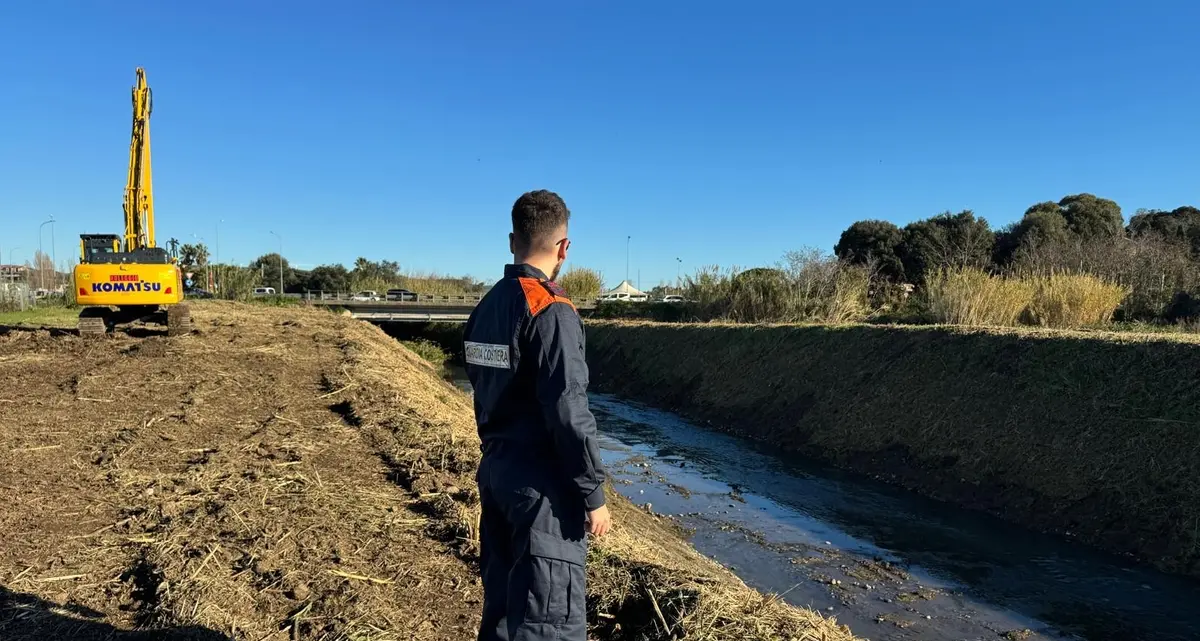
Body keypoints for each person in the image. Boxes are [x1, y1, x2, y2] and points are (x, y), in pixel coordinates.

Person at [464, 189, 611, 641]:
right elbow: (568, 409)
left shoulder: (486, 307)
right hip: (542, 491)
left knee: (504, 612)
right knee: (548, 622)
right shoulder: (551, 309)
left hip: (497, 474)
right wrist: (593, 493)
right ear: (564, 247)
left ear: (513, 240)